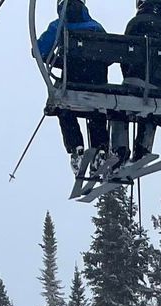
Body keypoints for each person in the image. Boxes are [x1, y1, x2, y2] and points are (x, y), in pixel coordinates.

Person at [36, 0, 114, 184]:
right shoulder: (96, 27)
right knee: (96, 110)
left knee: (65, 109)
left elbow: (39, 50)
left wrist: (58, 60)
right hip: (97, 83)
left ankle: (76, 147)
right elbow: (110, 55)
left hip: (72, 82)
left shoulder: (60, 25)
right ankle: (101, 148)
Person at [119, 0, 161, 173]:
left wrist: (129, 75)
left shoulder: (135, 23)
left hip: (136, 78)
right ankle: (143, 150)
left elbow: (124, 54)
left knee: (117, 106)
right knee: (150, 108)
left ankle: (119, 150)